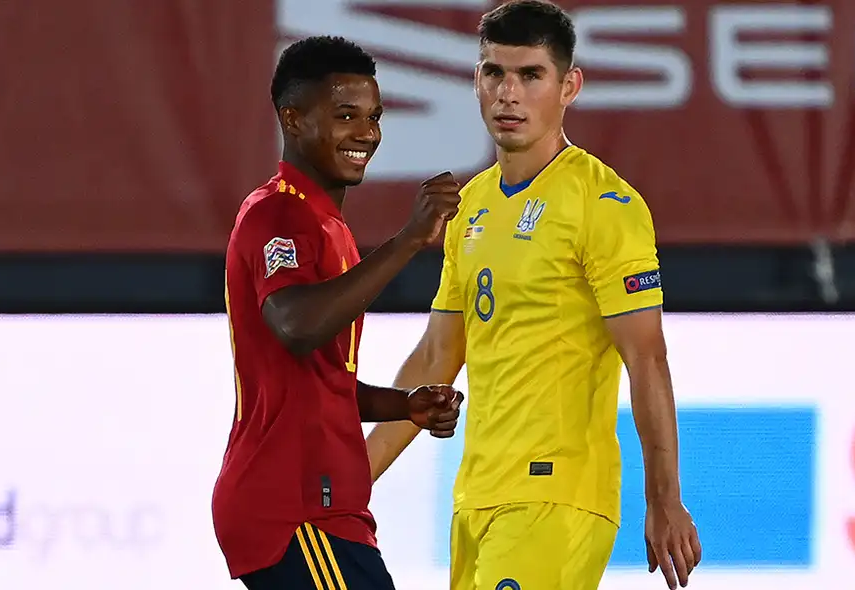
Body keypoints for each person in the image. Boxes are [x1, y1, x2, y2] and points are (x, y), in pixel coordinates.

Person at [365, 2, 702, 589]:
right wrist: (352, 478)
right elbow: (436, 357)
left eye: (530, 75)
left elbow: (646, 356)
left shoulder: (603, 204)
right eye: (494, 73)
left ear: (569, 86)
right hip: (477, 497)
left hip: (557, 495)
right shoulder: (471, 205)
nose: (508, 94)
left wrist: (664, 498)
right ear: (476, 80)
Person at [212, 35, 465, 590]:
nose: (367, 134)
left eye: (374, 116)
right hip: (297, 510)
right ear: (293, 118)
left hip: (316, 508)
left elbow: (317, 382)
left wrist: (405, 406)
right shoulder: (281, 214)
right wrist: (409, 240)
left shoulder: (323, 224)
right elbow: (296, 325)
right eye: (346, 115)